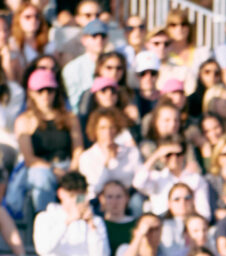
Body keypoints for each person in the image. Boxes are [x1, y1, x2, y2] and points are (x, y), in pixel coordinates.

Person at [13, 67, 83, 215]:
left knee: (81, 178)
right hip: (40, 168)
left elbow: (78, 149)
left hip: (67, 165)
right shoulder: (24, 120)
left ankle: (84, 217)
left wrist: (72, 169)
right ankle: (45, 218)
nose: (45, 95)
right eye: (40, 91)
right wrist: (53, 169)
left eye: (50, 90)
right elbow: (29, 158)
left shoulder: (70, 118)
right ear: (31, 93)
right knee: (42, 178)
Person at [132, 133, 212, 220]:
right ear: (162, 157)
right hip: (162, 225)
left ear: (184, 155)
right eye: (169, 155)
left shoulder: (196, 179)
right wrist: (156, 155)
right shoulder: (156, 178)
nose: (174, 158)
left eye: (178, 154)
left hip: (189, 226)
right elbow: (137, 183)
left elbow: (204, 213)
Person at [78, 107, 141, 198]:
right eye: (102, 128)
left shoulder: (131, 152)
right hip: (99, 203)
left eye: (112, 127)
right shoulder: (86, 157)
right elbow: (94, 188)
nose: (108, 132)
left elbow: (139, 182)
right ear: (95, 130)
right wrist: (107, 162)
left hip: (127, 199)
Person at [61, 18, 108, 115]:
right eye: (94, 36)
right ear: (84, 40)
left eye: (103, 36)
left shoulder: (114, 64)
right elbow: (74, 103)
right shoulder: (72, 68)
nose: (99, 40)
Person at [97, 179, 137, 256]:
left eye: (119, 196)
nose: (114, 201)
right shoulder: (97, 224)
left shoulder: (137, 225)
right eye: (109, 197)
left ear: (127, 198)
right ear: (101, 199)